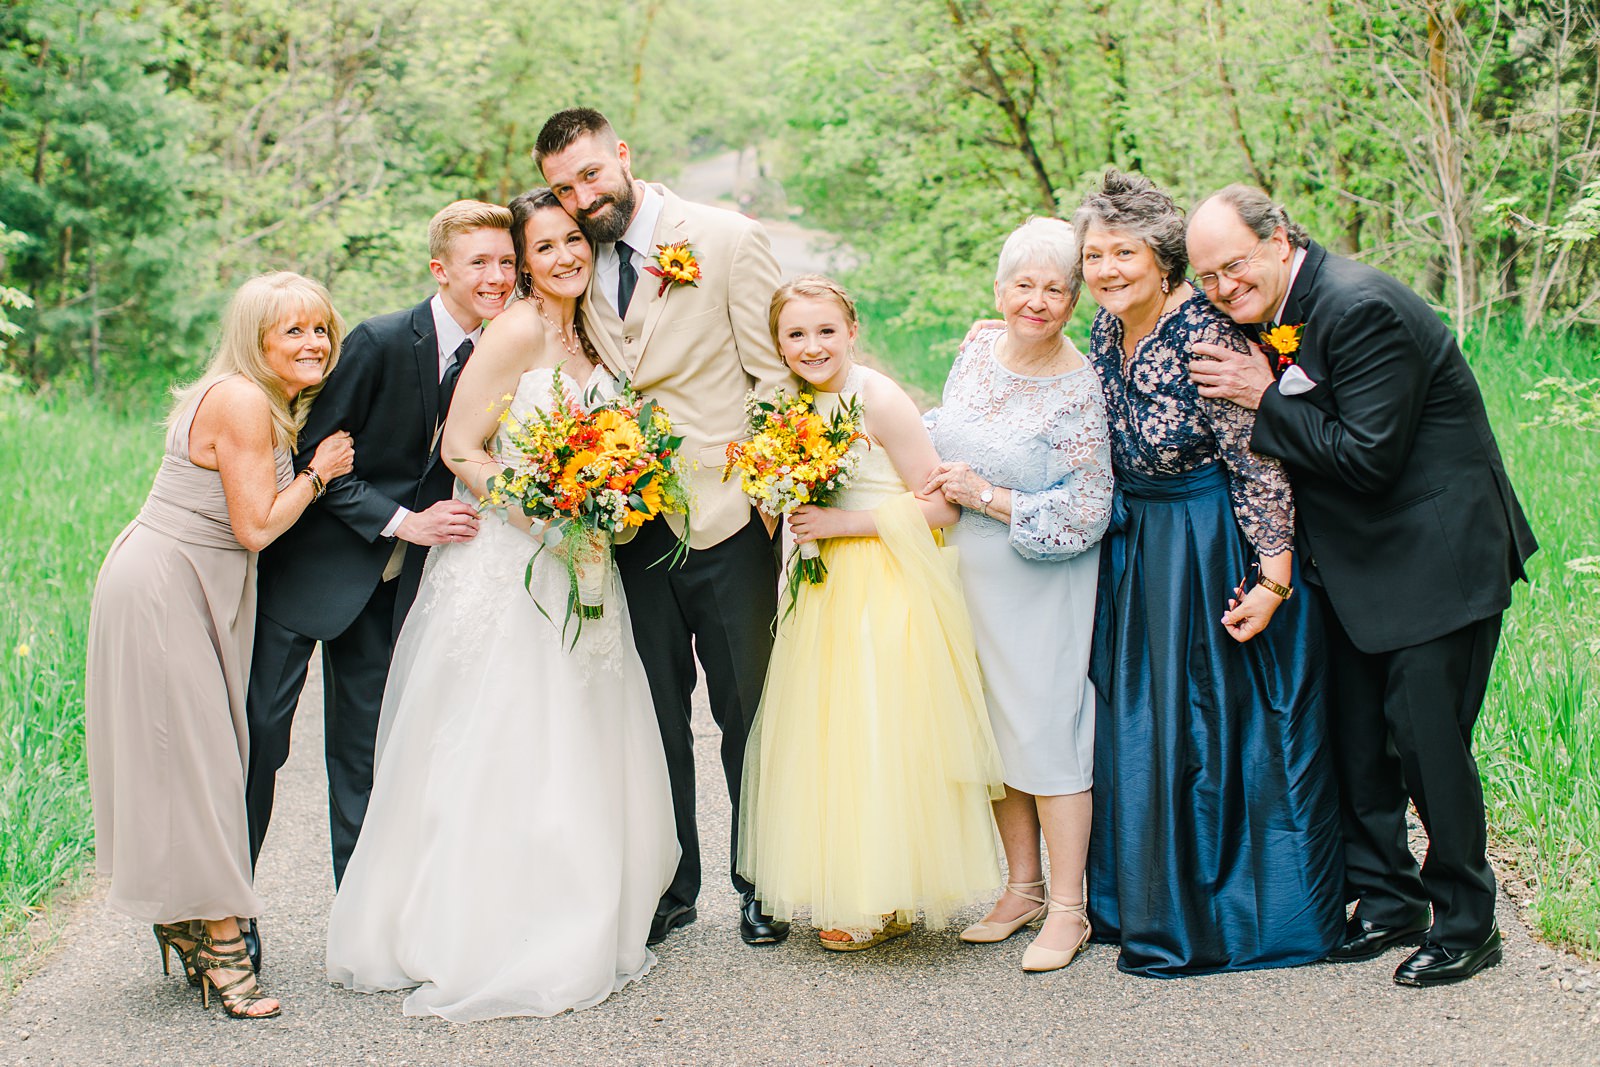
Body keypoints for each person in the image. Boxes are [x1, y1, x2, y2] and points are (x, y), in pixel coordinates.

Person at [325, 189, 676, 1020]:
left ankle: (583, 901)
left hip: (585, 560)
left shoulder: (594, 327)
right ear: (524, 260)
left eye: (571, 242)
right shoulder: (518, 329)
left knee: (582, 733)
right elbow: (460, 448)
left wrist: (612, 497)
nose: (562, 257)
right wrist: (544, 511)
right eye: (542, 247)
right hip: (514, 560)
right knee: (506, 735)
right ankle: (485, 924)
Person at [1186, 185, 1538, 987]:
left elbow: (1369, 458)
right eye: (1207, 276)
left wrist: (1260, 395)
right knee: (1355, 742)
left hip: (1437, 557)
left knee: (1426, 747)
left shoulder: (1360, 306)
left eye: (1233, 266)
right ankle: (1387, 900)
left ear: (1278, 239)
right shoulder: (1269, 313)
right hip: (1353, 566)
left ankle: (1468, 923)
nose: (1223, 288)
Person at [536, 107, 798, 947]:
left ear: (622, 153)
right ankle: (671, 883)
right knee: (653, 715)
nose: (580, 198)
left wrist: (762, 499)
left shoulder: (722, 239)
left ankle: (762, 878)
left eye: (588, 174)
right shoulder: (575, 266)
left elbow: (774, 377)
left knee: (747, 709)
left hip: (727, 518)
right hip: (632, 526)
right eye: (561, 189)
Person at [1074, 171, 1344, 977]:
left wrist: (1271, 579)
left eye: (1124, 253)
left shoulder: (1206, 337)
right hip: (1136, 543)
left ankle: (1219, 911)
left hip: (1207, 542)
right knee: (1140, 722)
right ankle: (1137, 898)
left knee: (1206, 725)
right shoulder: (1104, 327)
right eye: (1094, 254)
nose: (1107, 269)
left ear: (1164, 262)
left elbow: (1260, 465)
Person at [244, 201, 514, 956]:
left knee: (365, 750)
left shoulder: (504, 351)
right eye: (479, 263)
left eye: (505, 263)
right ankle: (228, 914)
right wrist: (405, 521)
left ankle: (360, 921)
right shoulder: (381, 339)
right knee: (262, 739)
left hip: (395, 587)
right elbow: (317, 461)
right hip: (315, 569)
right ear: (442, 270)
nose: (496, 277)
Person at [86, 272, 355, 1019]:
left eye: (321, 328)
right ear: (255, 339)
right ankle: (225, 946)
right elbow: (258, 527)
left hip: (188, 581)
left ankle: (183, 915)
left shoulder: (259, 396)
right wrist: (318, 473)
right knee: (201, 764)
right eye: (293, 330)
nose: (313, 343)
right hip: (165, 585)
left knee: (198, 758)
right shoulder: (241, 399)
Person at [737, 276, 1004, 950]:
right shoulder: (787, 405)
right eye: (795, 334)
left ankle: (881, 898)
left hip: (882, 579)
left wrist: (842, 521)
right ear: (778, 343)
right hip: (822, 587)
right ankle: (860, 883)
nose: (812, 345)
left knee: (877, 730)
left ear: (852, 329)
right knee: (830, 735)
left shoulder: (878, 398)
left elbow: (940, 504)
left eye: (826, 330)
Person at [924, 218, 1114, 972]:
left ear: (1074, 302)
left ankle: (1070, 909)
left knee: (1047, 734)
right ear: (1000, 289)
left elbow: (1091, 507)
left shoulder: (1079, 386)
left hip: (1042, 578)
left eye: (1055, 289)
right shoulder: (975, 349)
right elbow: (945, 429)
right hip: (968, 569)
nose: (1036, 301)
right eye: (1023, 285)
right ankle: (1022, 888)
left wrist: (990, 495)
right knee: (993, 732)